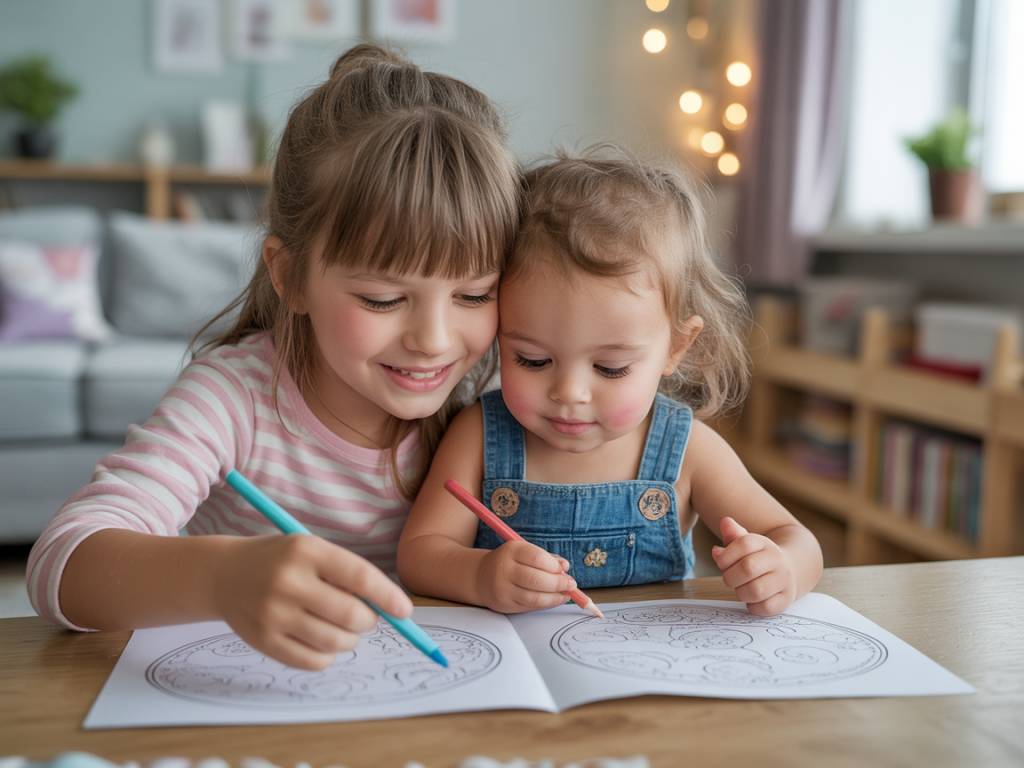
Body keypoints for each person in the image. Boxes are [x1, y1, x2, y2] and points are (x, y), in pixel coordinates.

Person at [26, 45, 520, 670]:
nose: (434, 338)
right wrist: (225, 579)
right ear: (289, 278)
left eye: (475, 294)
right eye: (383, 298)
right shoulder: (234, 399)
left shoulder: (488, 397)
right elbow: (60, 562)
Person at [398, 145, 823, 617]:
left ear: (676, 347)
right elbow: (420, 554)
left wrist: (780, 567)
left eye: (611, 368)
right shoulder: (479, 434)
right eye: (532, 359)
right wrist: (481, 575)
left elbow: (797, 540)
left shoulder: (688, 450)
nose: (569, 393)